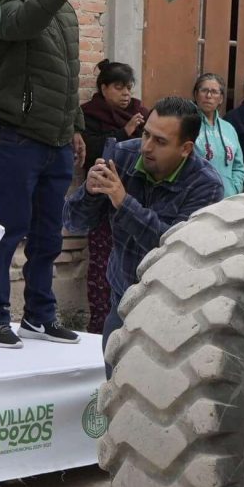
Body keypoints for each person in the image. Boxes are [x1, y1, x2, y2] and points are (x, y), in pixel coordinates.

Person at [0, 0, 95, 349]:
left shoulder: (61, 6)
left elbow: (65, 72)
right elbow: (20, 24)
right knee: (8, 229)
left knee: (48, 234)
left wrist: (75, 126)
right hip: (17, 135)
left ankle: (39, 317)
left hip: (57, 138)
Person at [79, 96, 226, 335]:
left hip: (174, 309)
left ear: (185, 149)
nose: (146, 147)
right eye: (146, 134)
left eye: (160, 141)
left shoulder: (206, 185)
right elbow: (73, 222)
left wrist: (123, 202)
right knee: (114, 369)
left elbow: (172, 249)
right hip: (122, 299)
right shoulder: (123, 155)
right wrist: (88, 192)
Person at [79, 61, 145, 333]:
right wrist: (124, 132)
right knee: (103, 265)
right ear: (103, 88)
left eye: (128, 87)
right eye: (118, 87)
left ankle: (133, 328)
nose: (126, 94)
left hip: (136, 201)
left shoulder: (142, 113)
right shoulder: (89, 115)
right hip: (103, 204)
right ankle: (99, 328)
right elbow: (92, 153)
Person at [191, 72, 244, 197]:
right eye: (204, 90)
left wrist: (234, 189)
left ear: (221, 98)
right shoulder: (187, 124)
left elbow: (238, 166)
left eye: (214, 92)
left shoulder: (229, 128)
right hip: (197, 198)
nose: (209, 95)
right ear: (196, 94)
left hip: (227, 200)